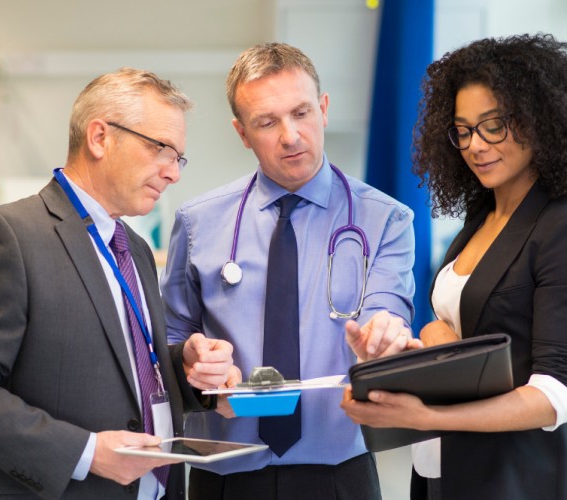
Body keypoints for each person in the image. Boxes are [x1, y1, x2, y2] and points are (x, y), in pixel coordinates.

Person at [0, 68, 237, 499]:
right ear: (100, 137)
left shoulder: (135, 248)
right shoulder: (7, 236)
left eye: (178, 157)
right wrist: (86, 452)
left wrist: (183, 368)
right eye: (160, 149)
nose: (172, 173)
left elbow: (120, 366)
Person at [340, 33, 567, 500]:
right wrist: (418, 346)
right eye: (464, 130)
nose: (475, 145)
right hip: (438, 472)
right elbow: (462, 330)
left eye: (493, 126)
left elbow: (559, 394)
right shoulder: (479, 219)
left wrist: (429, 416)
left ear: (540, 123)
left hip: (515, 479)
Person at [160, 42, 416, 500]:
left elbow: (388, 308)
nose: (290, 136)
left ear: (323, 109)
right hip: (223, 474)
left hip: (339, 474)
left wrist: (384, 333)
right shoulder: (198, 222)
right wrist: (191, 357)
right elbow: (170, 340)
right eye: (266, 122)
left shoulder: (385, 219)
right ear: (242, 133)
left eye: (301, 113)